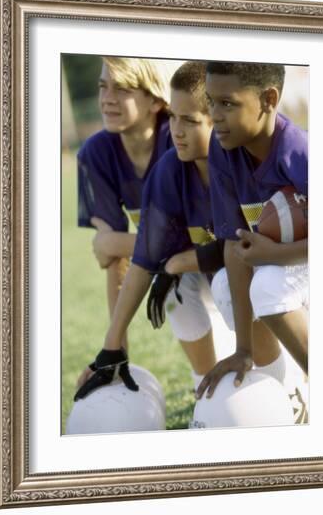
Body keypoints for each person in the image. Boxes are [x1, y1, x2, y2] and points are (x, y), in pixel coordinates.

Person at [74, 61, 285, 401]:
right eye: (174, 118)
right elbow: (142, 259)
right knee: (174, 289)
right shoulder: (169, 170)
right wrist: (112, 348)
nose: (177, 130)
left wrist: (178, 260)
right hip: (216, 269)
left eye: (189, 120)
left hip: (280, 269)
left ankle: (283, 386)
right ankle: (205, 387)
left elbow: (239, 245)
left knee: (229, 283)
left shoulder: (242, 158)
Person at [196, 61, 308, 405]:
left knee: (267, 286)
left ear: (268, 99)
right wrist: (242, 348)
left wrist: (273, 255)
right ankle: (287, 396)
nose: (215, 115)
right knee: (225, 289)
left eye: (227, 103)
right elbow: (233, 244)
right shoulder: (223, 149)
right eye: (210, 101)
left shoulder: (300, 153)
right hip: (290, 263)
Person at [77, 57, 175, 385]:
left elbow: (196, 238)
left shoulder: (179, 138)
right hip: (177, 263)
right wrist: (115, 352)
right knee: (174, 289)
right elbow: (112, 258)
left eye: (123, 89)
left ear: (155, 99)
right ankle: (202, 381)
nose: (107, 98)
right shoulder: (97, 152)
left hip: (220, 258)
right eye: (104, 86)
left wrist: (116, 242)